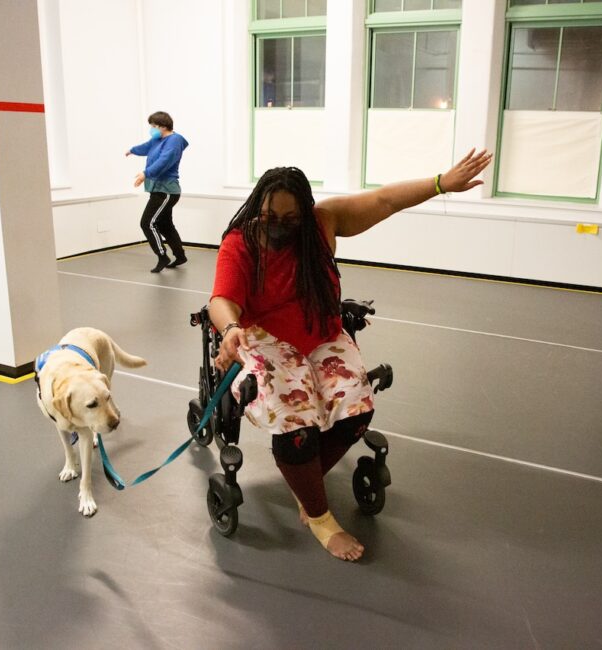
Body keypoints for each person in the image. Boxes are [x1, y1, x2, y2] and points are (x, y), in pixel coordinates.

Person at [208, 150, 492, 561]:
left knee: (357, 412)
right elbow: (221, 300)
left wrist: (440, 184)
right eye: (270, 217)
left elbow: (384, 200)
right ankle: (320, 516)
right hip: (266, 339)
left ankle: (305, 481)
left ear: (305, 213)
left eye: (290, 218)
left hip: (321, 333)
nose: (279, 225)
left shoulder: (322, 223)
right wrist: (231, 329)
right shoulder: (241, 243)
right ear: (257, 208)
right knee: (297, 425)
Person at [126, 111, 189, 272]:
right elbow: (146, 147)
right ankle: (180, 256)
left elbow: (164, 161)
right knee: (164, 224)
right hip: (159, 189)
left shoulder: (174, 141)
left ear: (163, 126)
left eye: (154, 126)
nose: (151, 129)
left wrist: (145, 174)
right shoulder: (157, 139)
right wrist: (133, 150)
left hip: (166, 190)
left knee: (147, 223)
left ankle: (162, 256)